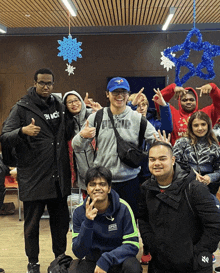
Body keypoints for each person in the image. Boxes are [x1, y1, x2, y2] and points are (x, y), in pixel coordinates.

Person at [0, 68, 71, 273]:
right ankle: (33, 263)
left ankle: (60, 260)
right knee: (31, 226)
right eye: (41, 83)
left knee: (60, 224)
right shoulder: (22, 108)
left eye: (49, 83)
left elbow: (66, 132)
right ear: (34, 83)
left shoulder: (58, 105)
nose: (46, 86)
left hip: (58, 178)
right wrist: (23, 131)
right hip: (34, 177)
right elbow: (5, 136)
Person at [72, 77, 160, 218]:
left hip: (130, 181)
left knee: (129, 222)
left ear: (128, 94)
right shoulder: (97, 117)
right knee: (102, 223)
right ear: (107, 94)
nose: (120, 96)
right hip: (102, 182)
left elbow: (157, 142)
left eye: (123, 92)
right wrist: (82, 136)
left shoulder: (137, 119)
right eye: (115, 92)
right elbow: (76, 146)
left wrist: (162, 147)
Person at [138, 141, 220, 273]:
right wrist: (152, 244)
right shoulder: (146, 189)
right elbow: (142, 219)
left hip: (193, 266)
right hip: (160, 263)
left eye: (162, 158)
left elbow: (215, 224)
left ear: (173, 160)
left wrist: (197, 253)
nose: (156, 163)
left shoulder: (195, 188)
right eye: (152, 159)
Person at [70, 166, 142, 273]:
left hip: (118, 259)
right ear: (87, 189)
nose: (97, 188)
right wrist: (88, 222)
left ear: (109, 188)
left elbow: (132, 245)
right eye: (92, 184)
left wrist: (107, 259)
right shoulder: (79, 212)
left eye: (102, 184)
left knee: (133, 267)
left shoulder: (123, 208)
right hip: (93, 262)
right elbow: (79, 252)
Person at [154, 82, 220, 145]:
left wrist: (213, 88)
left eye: (191, 100)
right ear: (179, 101)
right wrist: (172, 89)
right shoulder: (172, 113)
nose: (188, 102)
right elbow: (157, 99)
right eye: (184, 100)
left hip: (202, 154)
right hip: (178, 154)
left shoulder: (205, 114)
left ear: (196, 101)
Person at [173, 111, 220, 196]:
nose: (200, 128)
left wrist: (210, 177)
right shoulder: (181, 142)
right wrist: (191, 173)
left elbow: (219, 170)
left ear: (208, 125)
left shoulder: (214, 146)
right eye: (196, 125)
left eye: (203, 124)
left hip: (207, 187)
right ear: (191, 127)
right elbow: (174, 164)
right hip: (184, 186)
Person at [63, 90, 101, 193]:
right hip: (83, 176)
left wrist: (101, 112)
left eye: (76, 100)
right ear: (65, 105)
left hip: (101, 172)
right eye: (70, 102)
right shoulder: (64, 124)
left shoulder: (94, 117)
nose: (74, 104)